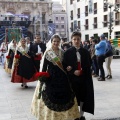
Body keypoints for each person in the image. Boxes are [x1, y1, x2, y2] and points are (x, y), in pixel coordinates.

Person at [31, 34, 80, 120]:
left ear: (60, 42)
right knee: (50, 95)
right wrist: (43, 78)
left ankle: (64, 116)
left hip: (62, 77)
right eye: (54, 41)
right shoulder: (48, 52)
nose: (56, 43)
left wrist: (68, 67)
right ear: (51, 42)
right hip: (51, 77)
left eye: (57, 41)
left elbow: (64, 64)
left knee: (66, 95)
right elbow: (44, 67)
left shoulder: (62, 52)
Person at [63, 31, 94, 120]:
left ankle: (81, 115)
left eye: (78, 39)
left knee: (83, 96)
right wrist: (72, 71)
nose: (76, 41)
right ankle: (75, 115)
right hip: (73, 79)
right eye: (74, 39)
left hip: (84, 78)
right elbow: (64, 65)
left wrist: (83, 71)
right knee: (74, 97)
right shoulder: (67, 52)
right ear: (71, 40)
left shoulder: (85, 52)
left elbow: (89, 64)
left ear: (81, 40)